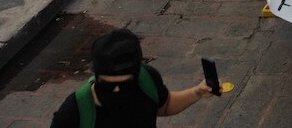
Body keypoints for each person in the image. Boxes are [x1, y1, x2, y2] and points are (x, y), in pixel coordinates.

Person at [49, 27, 215, 127]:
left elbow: (163, 105)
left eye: (125, 85)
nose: (116, 90)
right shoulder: (74, 112)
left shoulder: (148, 80)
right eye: (107, 85)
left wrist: (196, 93)